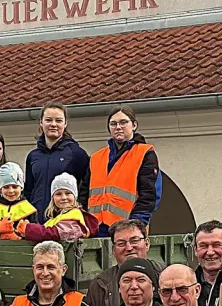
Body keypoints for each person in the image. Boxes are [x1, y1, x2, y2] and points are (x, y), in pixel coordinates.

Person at [87, 106, 161, 237]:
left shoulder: (144, 153)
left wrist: (136, 225)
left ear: (134, 125)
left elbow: (149, 195)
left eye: (123, 122)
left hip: (128, 231)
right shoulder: (96, 157)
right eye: (113, 124)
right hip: (96, 229)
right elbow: (84, 193)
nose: (118, 127)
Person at [85, 219, 154, 306]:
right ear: (113, 250)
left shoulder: (165, 277)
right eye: (121, 243)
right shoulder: (99, 286)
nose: (129, 248)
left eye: (134, 240)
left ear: (147, 243)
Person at [24, 104, 89, 217]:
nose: (53, 124)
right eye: (48, 120)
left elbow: (85, 188)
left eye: (58, 120)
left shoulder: (77, 154)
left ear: (65, 123)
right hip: (37, 220)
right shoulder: (33, 156)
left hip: (64, 220)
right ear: (41, 122)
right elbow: (29, 191)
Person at [16, 173, 97, 243]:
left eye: (68, 193)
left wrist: (29, 229)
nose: (63, 197)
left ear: (75, 196)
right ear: (53, 198)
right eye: (58, 194)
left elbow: (57, 233)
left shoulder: (74, 215)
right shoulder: (54, 219)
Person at [0, 162, 37, 238]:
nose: (11, 191)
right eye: (6, 187)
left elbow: (37, 236)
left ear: (21, 187)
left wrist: (29, 232)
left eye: (15, 187)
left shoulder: (29, 209)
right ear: (0, 188)